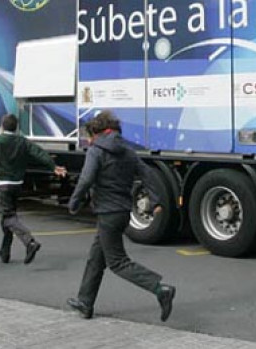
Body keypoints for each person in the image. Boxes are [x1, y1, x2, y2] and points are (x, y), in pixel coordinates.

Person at [65, 111, 176, 322]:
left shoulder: (96, 150)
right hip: (123, 212)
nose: (88, 139)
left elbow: (86, 178)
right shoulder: (128, 150)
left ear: (96, 132)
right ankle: (85, 302)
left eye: (89, 135)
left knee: (117, 262)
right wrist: (156, 202)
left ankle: (160, 289)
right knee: (96, 258)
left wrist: (74, 202)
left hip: (108, 213)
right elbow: (148, 174)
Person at [0, 114, 66, 265]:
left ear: (2, 126)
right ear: (17, 127)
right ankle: (4, 251)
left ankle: (29, 242)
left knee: (8, 217)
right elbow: (39, 153)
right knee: (7, 217)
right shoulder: (22, 141)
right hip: (17, 183)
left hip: (3, 183)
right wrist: (53, 167)